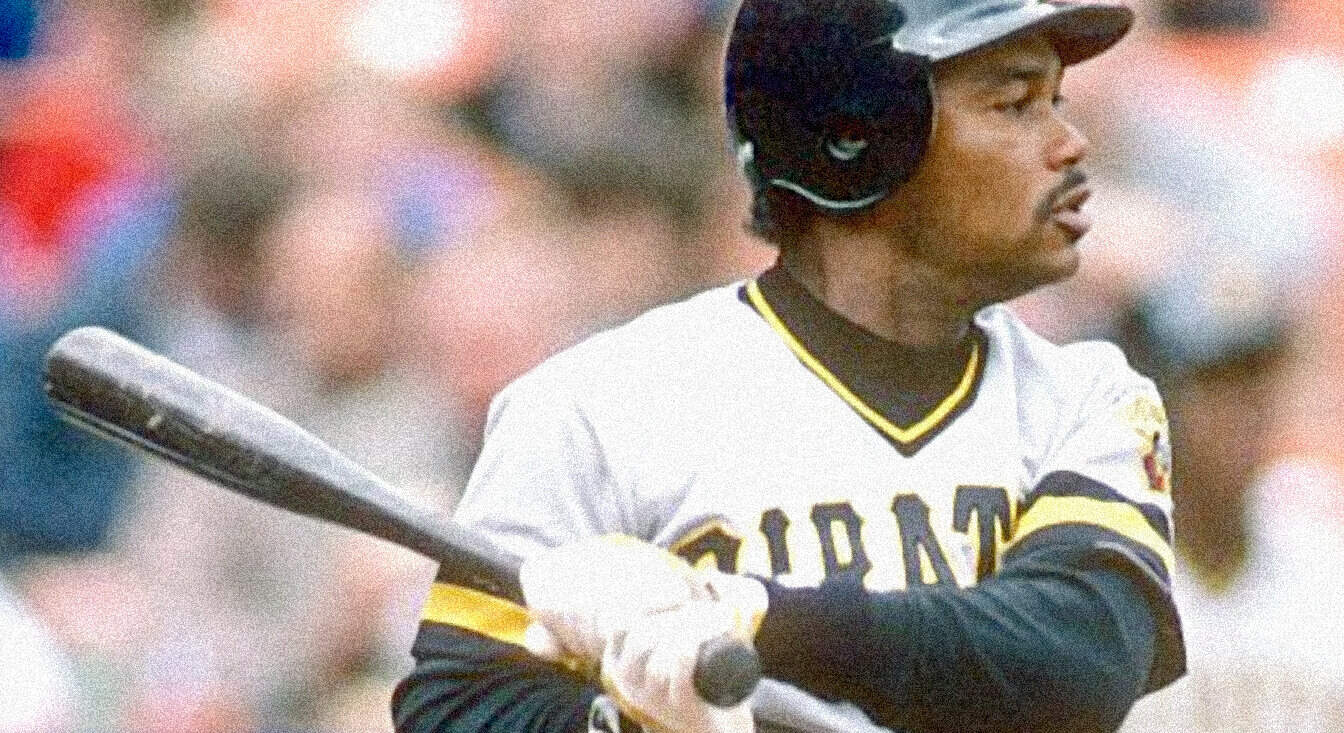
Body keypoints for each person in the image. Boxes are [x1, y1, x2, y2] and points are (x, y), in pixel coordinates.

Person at [393, 1, 1184, 731]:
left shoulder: (1088, 397)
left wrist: (748, 615)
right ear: (856, 136)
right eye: (1015, 104)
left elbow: (1079, 658)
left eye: (1058, 101)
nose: (1068, 143)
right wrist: (629, 718)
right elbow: (453, 709)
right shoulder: (591, 407)